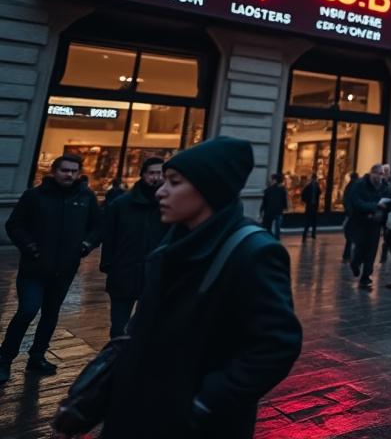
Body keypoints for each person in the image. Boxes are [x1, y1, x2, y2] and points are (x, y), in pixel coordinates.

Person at [98, 136, 303, 438]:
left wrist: (207, 400)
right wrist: (97, 394)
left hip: (195, 424)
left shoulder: (254, 251)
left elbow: (277, 345)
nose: (161, 191)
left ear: (209, 189)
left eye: (174, 182)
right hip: (140, 410)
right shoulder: (174, 240)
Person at [0, 156, 99, 380]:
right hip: (34, 268)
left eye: (74, 171)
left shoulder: (85, 197)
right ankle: (5, 359)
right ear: (54, 171)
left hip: (64, 269)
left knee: (50, 314)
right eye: (65, 170)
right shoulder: (35, 196)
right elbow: (14, 225)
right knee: (27, 310)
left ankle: (37, 356)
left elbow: (98, 226)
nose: (69, 175)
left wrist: (86, 245)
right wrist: (29, 246)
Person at [99, 156, 168, 337]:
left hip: (155, 275)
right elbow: (109, 237)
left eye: (160, 173)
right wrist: (109, 266)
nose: (156, 177)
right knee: (118, 329)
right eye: (152, 173)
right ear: (143, 175)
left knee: (148, 328)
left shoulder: (169, 205)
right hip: (124, 272)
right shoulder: (121, 204)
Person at [345, 164, 391, 290]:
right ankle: (355, 263)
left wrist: (384, 216)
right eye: (377, 173)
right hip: (360, 221)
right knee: (360, 248)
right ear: (371, 173)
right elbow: (356, 202)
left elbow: (388, 203)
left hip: (375, 223)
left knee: (372, 251)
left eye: (382, 174)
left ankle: (365, 277)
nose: (379, 176)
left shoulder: (385, 187)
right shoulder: (359, 184)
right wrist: (375, 205)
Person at [261, 173, 288, 238]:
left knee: (268, 227)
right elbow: (284, 200)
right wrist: (285, 207)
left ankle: (270, 237)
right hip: (277, 211)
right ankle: (276, 238)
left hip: (270, 211)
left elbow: (265, 202)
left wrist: (262, 210)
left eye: (272, 179)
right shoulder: (282, 189)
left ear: (275, 180)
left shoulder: (268, 190)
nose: (270, 180)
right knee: (277, 227)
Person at [300, 174, 321, 239]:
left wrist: (306, 201)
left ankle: (307, 234)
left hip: (311, 206)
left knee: (309, 221)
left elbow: (303, 194)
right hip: (312, 206)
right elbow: (319, 193)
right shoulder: (311, 186)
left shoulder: (310, 186)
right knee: (312, 221)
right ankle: (311, 234)